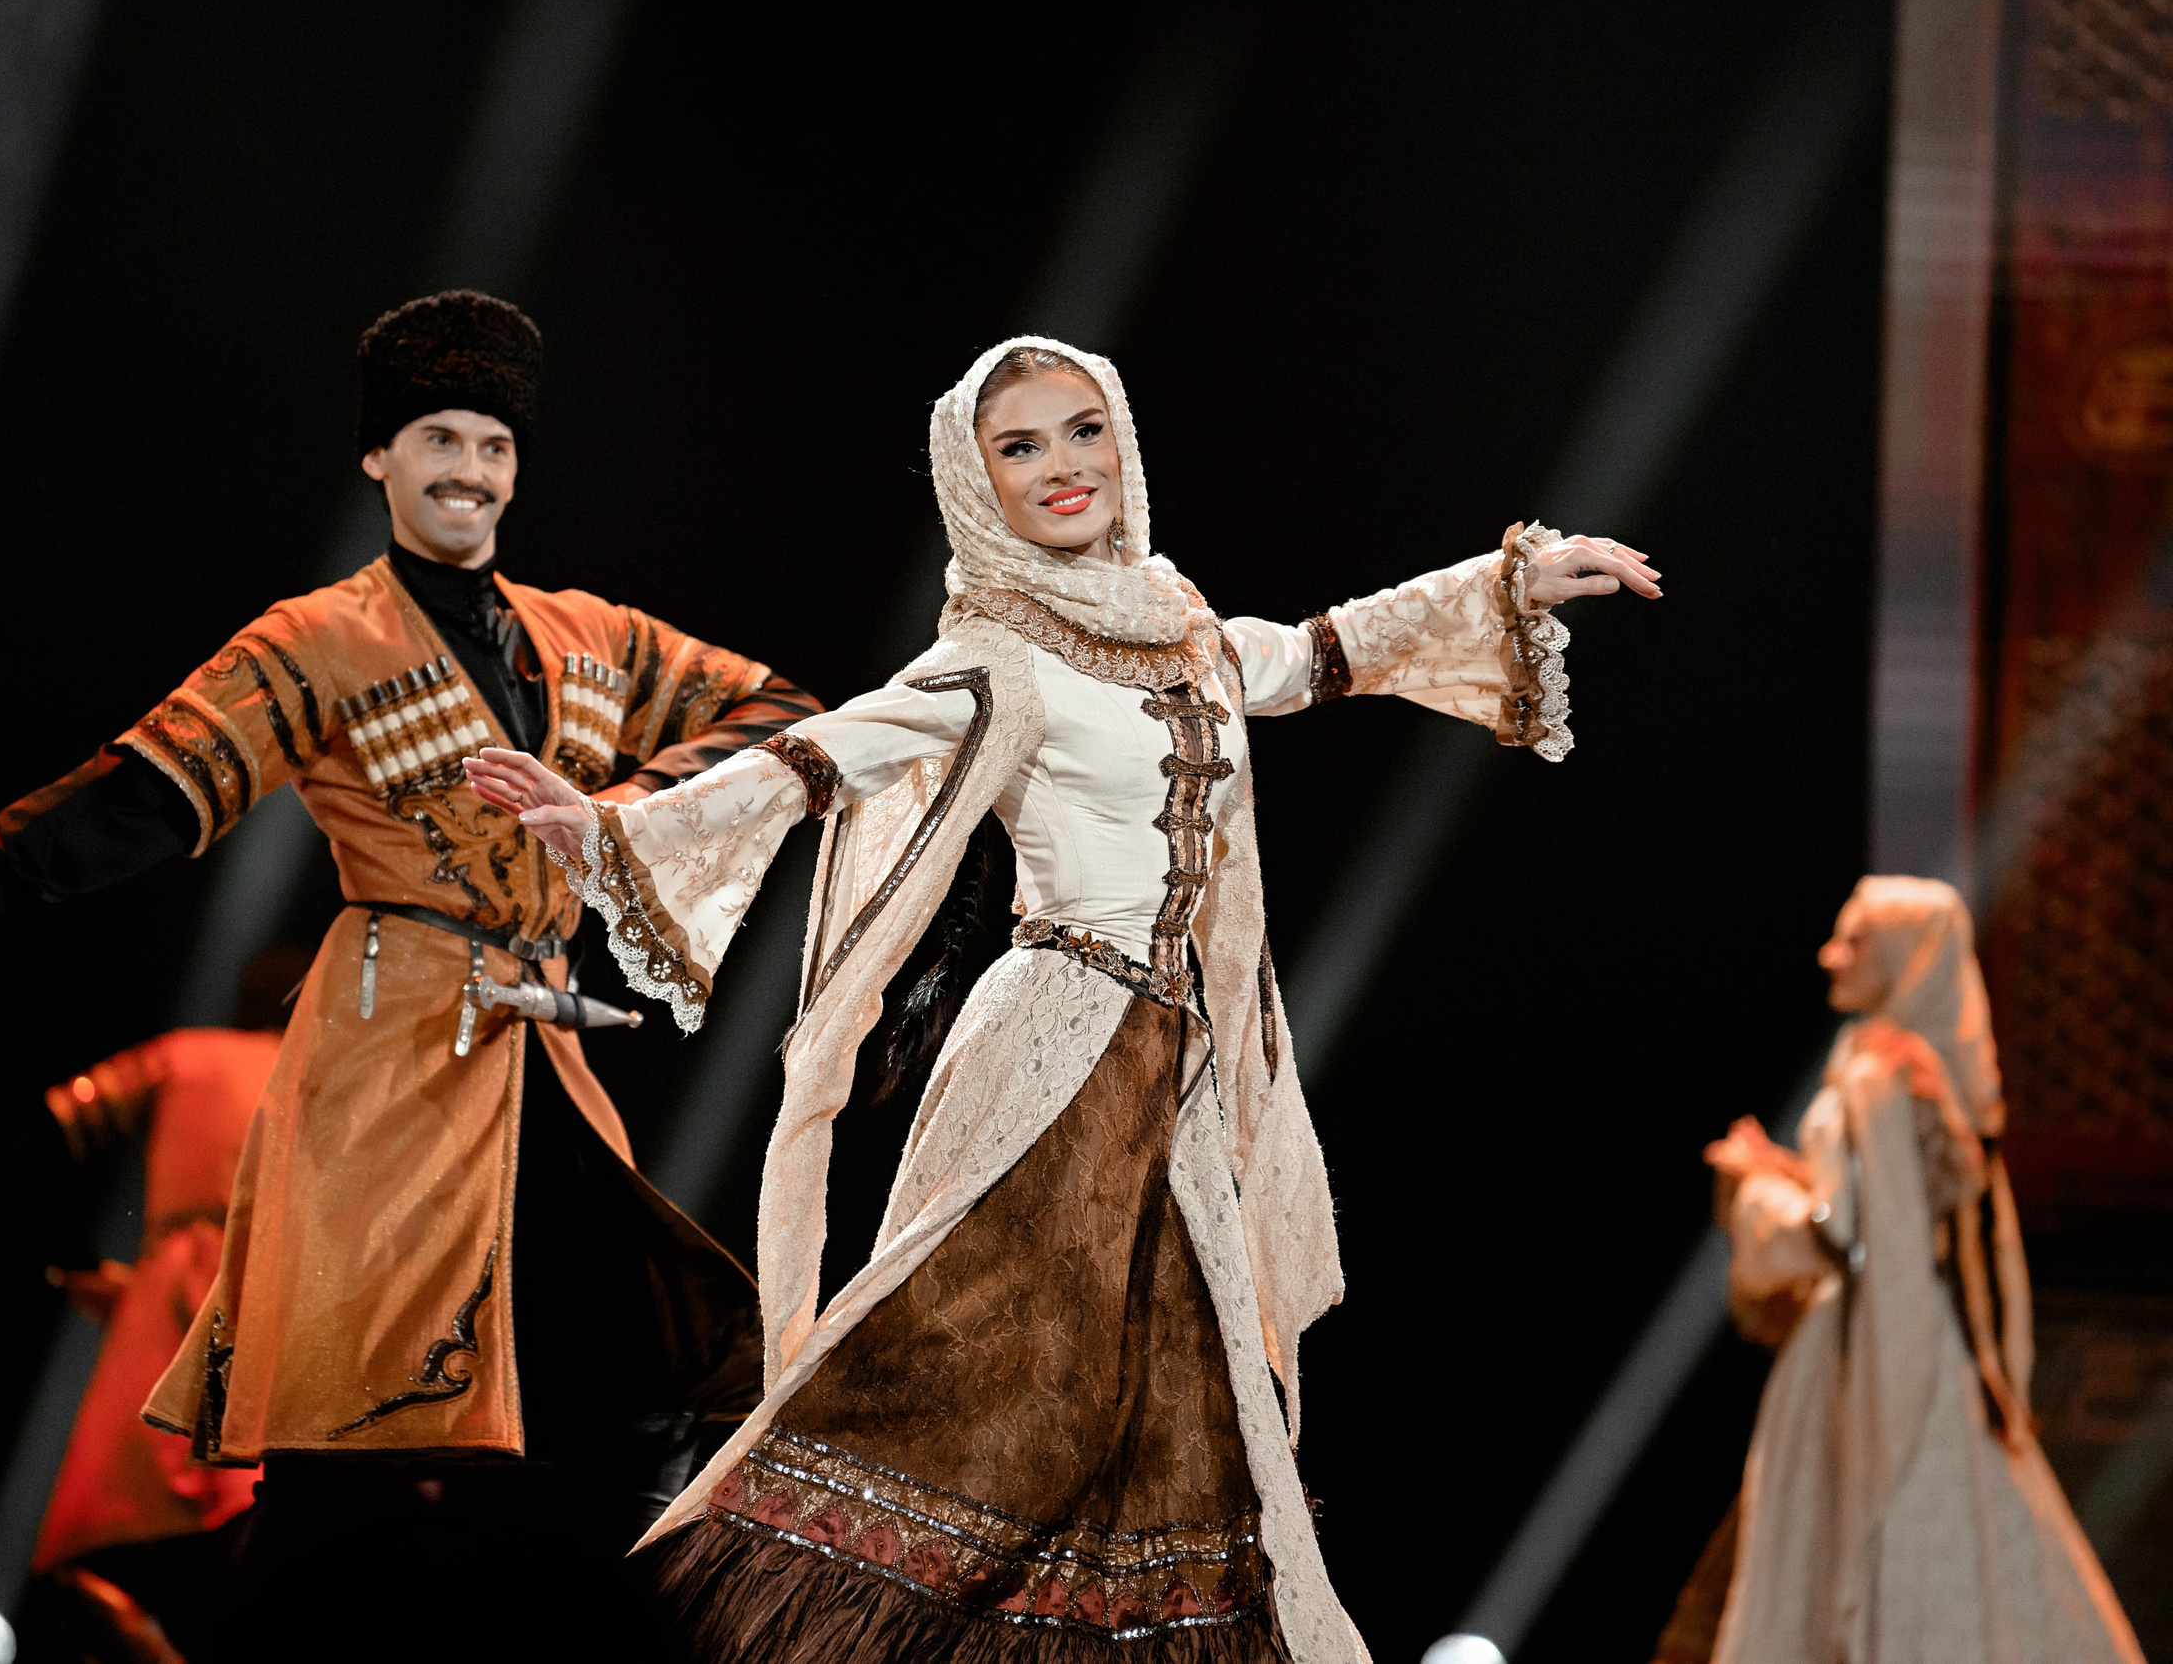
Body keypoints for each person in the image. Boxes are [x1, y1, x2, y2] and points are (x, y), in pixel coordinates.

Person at [465, 335, 1661, 1663]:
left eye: (1081, 429)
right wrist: (609, 826)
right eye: (1018, 446)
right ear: (975, 483)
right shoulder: (996, 651)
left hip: (1175, 1080)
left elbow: (1311, 655)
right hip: (1058, 1051)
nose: (1061, 466)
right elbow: (820, 755)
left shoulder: (1178, 620)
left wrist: (1510, 582)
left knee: (1176, 1418)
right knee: (966, 1385)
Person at [0, 290, 821, 1658]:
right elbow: (146, 787)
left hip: (537, 1050)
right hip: (390, 1048)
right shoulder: (315, 639)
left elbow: (782, 710)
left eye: (493, 445)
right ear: (380, 459)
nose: (469, 468)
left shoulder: (590, 635)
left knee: (634, 1378)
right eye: (438, 438)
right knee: (349, 1433)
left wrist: (614, 812)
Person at [1697, 876, 2143, 1664]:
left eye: (1856, 939)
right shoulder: (1922, 1064)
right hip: (1919, 1343)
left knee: (1877, 1535)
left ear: (1908, 953)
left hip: (1883, 1354)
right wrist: (1797, 1171)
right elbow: (1896, 1214)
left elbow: (1852, 1239)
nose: (1832, 955)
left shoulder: (1884, 1074)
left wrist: (1756, 1191)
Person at [22, 952, 298, 1664]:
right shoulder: (321, 1086)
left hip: (170, 1292)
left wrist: (70, 1254)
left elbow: (55, 1121)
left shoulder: (188, 1053)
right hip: (269, 1300)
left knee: (114, 1506)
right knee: (244, 1507)